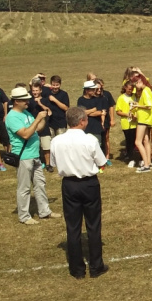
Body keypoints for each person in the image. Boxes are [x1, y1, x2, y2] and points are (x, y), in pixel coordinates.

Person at [50, 107, 109, 279]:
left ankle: (77, 269)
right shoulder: (89, 139)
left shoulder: (57, 141)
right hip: (89, 184)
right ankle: (96, 265)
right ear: (82, 121)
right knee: (93, 224)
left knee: (73, 226)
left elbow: (53, 163)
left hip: (69, 185)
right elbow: (101, 161)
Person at [5, 87, 60, 225]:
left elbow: (38, 128)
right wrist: (37, 119)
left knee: (40, 184)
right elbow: (25, 134)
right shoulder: (12, 117)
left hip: (34, 155)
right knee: (24, 188)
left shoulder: (25, 113)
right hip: (23, 156)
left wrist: (44, 117)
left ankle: (44, 211)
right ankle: (24, 216)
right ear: (17, 101)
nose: (27, 102)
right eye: (24, 100)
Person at [28, 83, 54, 173]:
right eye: (33, 91)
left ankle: (48, 164)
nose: (35, 92)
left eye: (36, 90)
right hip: (33, 127)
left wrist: (40, 103)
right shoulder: (29, 101)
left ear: (40, 91)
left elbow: (49, 112)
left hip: (45, 127)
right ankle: (37, 164)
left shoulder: (45, 100)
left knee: (46, 147)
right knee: (35, 147)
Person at [115, 81, 138, 166]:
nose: (130, 91)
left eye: (131, 89)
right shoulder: (121, 98)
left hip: (134, 122)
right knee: (128, 140)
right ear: (125, 88)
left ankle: (132, 156)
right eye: (129, 89)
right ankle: (130, 156)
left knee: (134, 140)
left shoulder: (134, 96)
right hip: (126, 123)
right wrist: (126, 114)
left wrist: (135, 115)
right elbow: (118, 111)